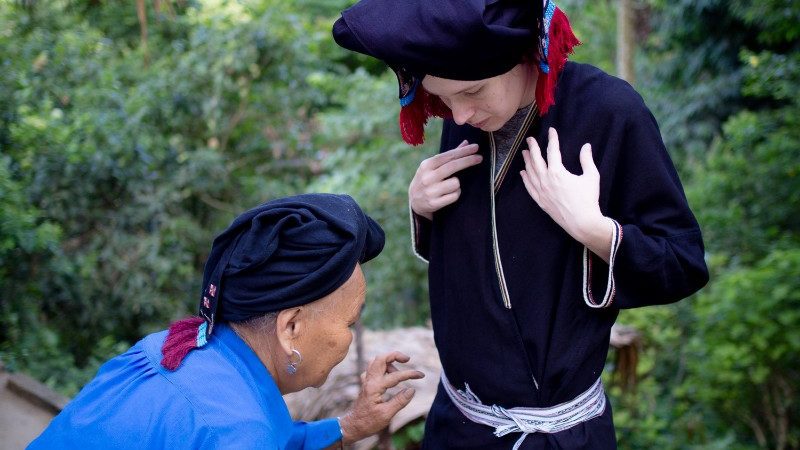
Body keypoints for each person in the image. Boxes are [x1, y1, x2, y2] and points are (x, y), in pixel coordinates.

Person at [333, 1, 709, 449]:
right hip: (457, 426)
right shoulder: (466, 115)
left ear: (524, 54)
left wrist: (595, 230)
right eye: (442, 98)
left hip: (563, 436)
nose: (458, 117)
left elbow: (682, 262)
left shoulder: (610, 113)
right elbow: (487, 260)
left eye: (471, 92)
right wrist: (425, 209)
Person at [28, 193, 425, 449]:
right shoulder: (238, 431)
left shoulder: (173, 348)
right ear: (291, 329)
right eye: (349, 323)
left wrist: (353, 425)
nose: (349, 339)